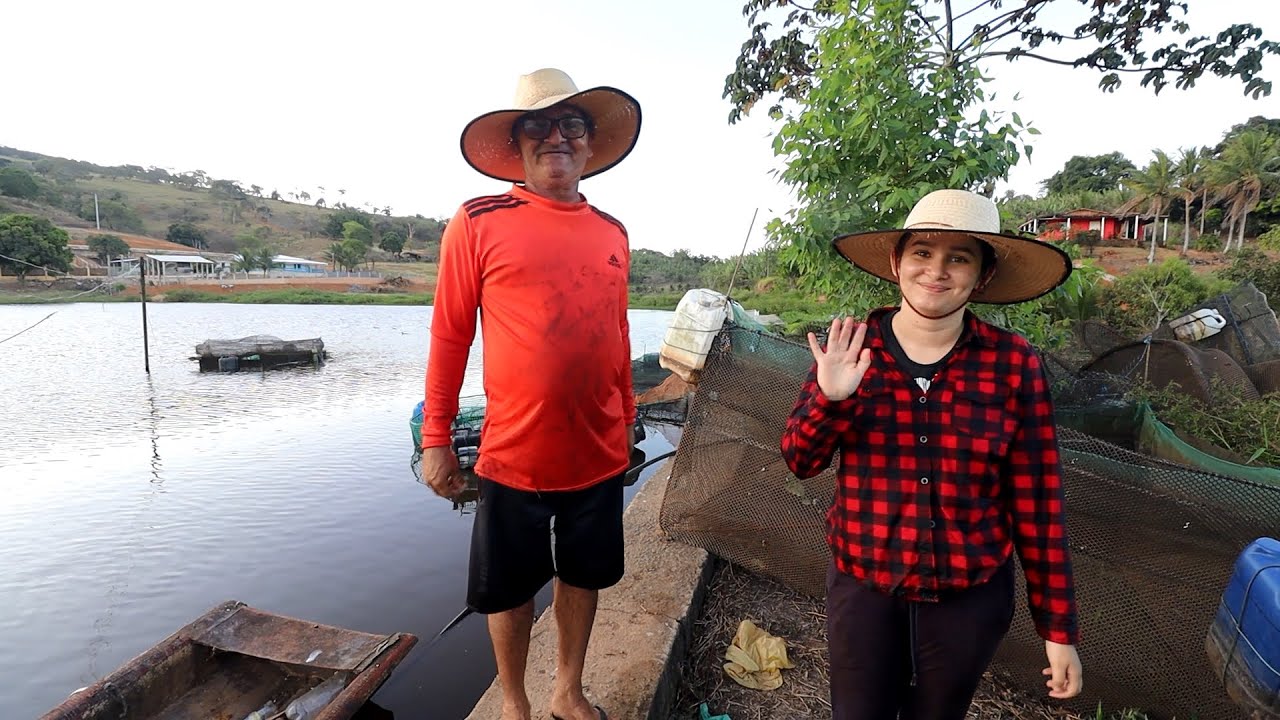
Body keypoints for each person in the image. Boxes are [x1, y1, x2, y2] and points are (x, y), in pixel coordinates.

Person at [780, 189, 1084, 720]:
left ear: (982, 275)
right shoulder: (852, 347)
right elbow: (800, 461)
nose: (936, 271)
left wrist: (1057, 630)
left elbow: (1037, 502)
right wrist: (831, 401)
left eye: (958, 257)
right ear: (897, 262)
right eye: (922, 252)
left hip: (969, 594)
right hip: (865, 584)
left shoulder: (1013, 364)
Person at [420, 68, 641, 720]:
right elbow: (450, 334)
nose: (556, 137)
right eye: (538, 126)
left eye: (571, 124)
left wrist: (627, 420)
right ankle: (514, 702)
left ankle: (567, 689)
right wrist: (436, 439)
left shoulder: (613, 233)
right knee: (508, 589)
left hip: (599, 449)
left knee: (584, 575)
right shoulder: (478, 219)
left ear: (589, 143)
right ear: (517, 146)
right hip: (514, 451)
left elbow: (617, 336)